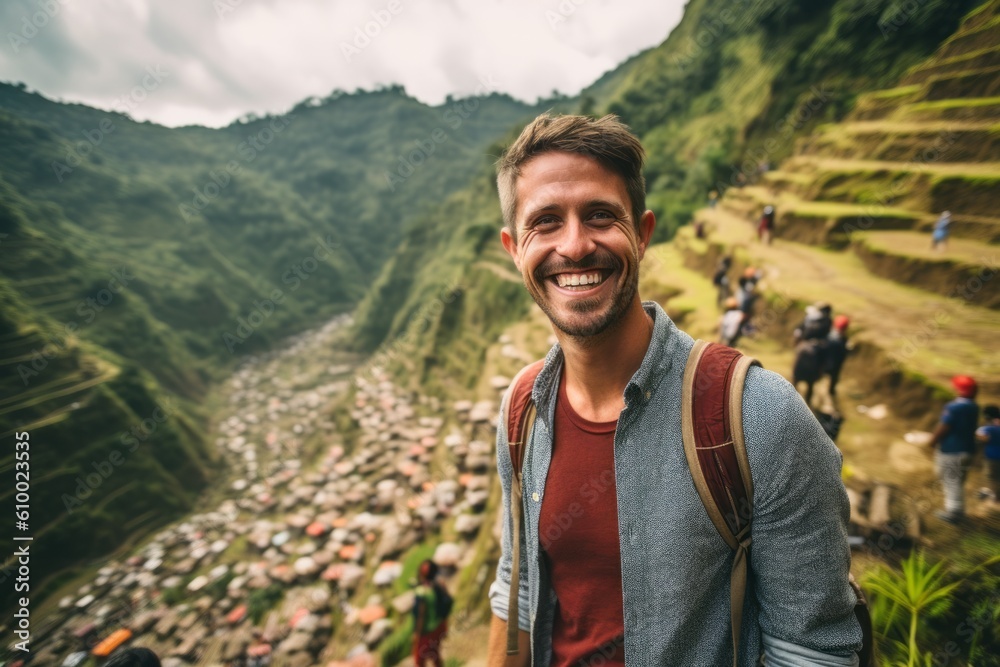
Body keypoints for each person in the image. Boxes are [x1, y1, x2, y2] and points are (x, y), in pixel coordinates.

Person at [488, 113, 862, 666]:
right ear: (514, 249)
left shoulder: (759, 420)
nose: (574, 245)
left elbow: (811, 653)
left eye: (600, 216)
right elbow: (517, 592)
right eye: (544, 222)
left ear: (642, 233)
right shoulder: (523, 410)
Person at [927, 375, 979, 523]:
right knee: (958, 480)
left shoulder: (954, 407)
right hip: (968, 449)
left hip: (952, 449)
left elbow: (945, 425)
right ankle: (958, 508)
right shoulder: (974, 406)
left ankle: (955, 512)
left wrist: (933, 440)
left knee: (950, 480)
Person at [413, 560, 449, 667]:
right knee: (435, 655)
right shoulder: (438, 587)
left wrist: (416, 633)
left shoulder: (421, 591)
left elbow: (420, 614)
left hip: (426, 632)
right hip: (438, 627)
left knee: (419, 660)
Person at [976, 405, 1000, 503]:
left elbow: (982, 437)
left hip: (993, 457)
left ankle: (995, 500)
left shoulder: (988, 428)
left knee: (992, 478)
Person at [825, 315, 851, 401]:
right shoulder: (843, 340)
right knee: (834, 378)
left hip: (826, 361)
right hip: (836, 364)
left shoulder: (829, 335)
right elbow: (845, 352)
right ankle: (831, 391)